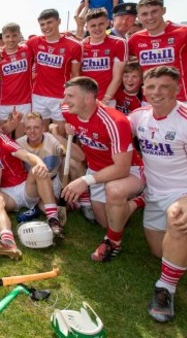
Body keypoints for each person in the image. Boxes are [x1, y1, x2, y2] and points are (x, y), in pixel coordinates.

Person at [127, 66, 187, 323]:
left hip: (186, 192)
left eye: (164, 87)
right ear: (144, 90)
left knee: (179, 219)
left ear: (177, 89)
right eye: (151, 87)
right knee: (159, 252)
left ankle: (165, 288)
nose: (157, 93)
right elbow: (108, 124)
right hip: (153, 194)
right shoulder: (139, 116)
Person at [61, 76, 144, 262]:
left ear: (88, 98)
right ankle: (133, 203)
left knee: (113, 191)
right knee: (106, 223)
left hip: (128, 171)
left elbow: (122, 168)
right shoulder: (68, 111)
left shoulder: (115, 121)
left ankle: (141, 199)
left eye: (70, 96)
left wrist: (85, 180)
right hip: (97, 170)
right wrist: (67, 130)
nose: (65, 101)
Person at [0, 114, 59, 260]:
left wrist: (39, 163)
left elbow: (27, 156)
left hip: (24, 187)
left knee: (37, 170)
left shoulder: (5, 141)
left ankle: (53, 218)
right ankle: (8, 242)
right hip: (8, 193)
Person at [15, 113, 89, 222]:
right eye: (28, 128)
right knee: (46, 207)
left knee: (72, 161)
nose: (32, 131)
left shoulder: (51, 139)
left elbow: (81, 157)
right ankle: (71, 204)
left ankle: (85, 201)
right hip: (38, 184)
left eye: (36, 127)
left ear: (43, 128)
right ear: (24, 130)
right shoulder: (19, 143)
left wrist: (57, 136)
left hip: (57, 179)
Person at [128, 0, 187, 104]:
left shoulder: (186, 32)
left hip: (183, 100)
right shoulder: (135, 39)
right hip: (150, 100)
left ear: (163, 11)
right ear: (138, 17)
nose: (150, 17)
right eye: (144, 14)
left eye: (154, 11)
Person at [26, 9, 82, 134]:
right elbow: (15, 47)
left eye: (49, 22)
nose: (46, 27)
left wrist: (71, 96)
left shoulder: (74, 46)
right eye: (42, 24)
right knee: (41, 133)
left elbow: (76, 75)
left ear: (59, 21)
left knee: (60, 135)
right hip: (38, 96)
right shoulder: (33, 42)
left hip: (60, 96)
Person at [0, 23, 33, 138]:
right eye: (7, 36)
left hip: (24, 101)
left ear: (19, 36)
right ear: (3, 38)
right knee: (2, 133)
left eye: (14, 36)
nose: (11, 39)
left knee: (20, 137)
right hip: (4, 100)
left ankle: (18, 156)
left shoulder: (28, 51)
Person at [80, 8, 127, 107]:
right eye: (93, 25)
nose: (97, 28)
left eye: (101, 24)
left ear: (107, 23)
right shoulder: (81, 46)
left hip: (107, 100)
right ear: (87, 27)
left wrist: (106, 99)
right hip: (84, 99)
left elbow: (118, 77)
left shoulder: (119, 43)